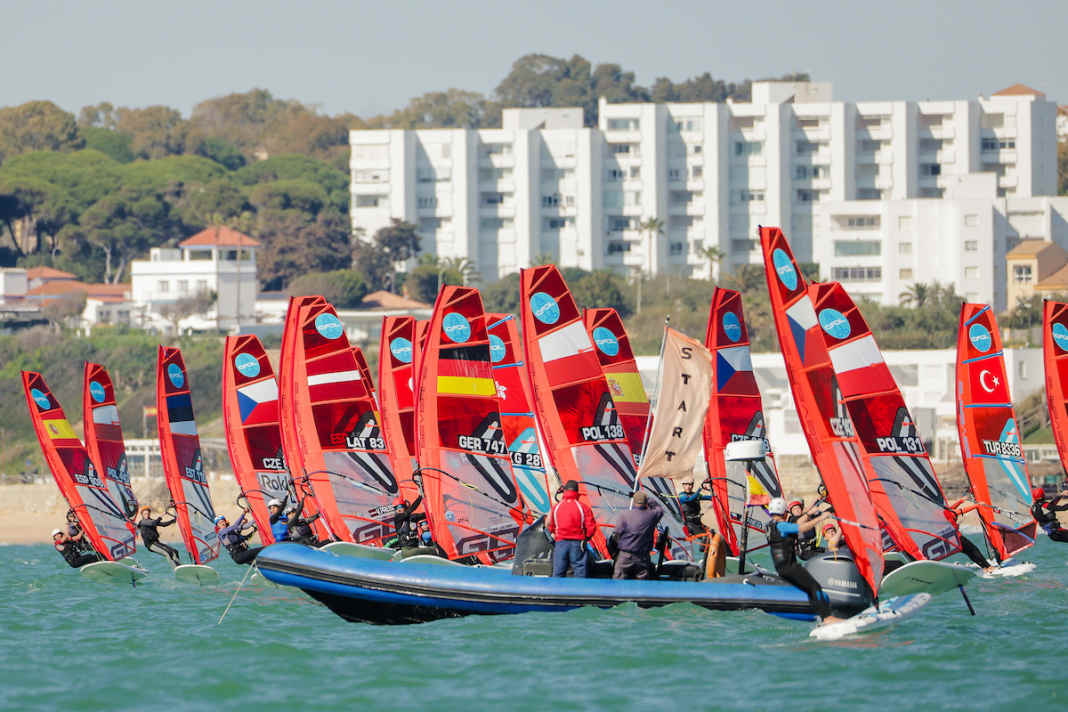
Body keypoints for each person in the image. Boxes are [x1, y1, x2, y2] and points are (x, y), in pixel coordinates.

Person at [766, 497, 843, 624]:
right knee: (815, 587)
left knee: (808, 588)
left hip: (781, 567)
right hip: (790, 567)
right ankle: (827, 618)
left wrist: (808, 514)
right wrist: (821, 518)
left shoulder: (772, 525)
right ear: (784, 512)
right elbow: (801, 528)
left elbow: (796, 524)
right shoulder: (782, 526)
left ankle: (820, 615)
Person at [548, 480, 597, 578]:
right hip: (578, 544)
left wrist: (555, 533)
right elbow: (591, 527)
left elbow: (551, 526)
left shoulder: (556, 507)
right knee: (580, 571)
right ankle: (579, 592)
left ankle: (556, 591)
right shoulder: (583, 507)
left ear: (565, 491)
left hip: (561, 543)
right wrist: (586, 538)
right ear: (577, 492)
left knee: (558, 571)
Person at [612, 491, 664, 580]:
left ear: (634, 501)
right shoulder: (651, 516)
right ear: (645, 503)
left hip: (625, 555)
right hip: (643, 557)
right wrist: (648, 499)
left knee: (618, 580)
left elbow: (617, 534)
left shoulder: (624, 515)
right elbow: (660, 509)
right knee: (641, 583)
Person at [947, 497, 1002, 570]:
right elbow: (961, 511)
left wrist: (960, 501)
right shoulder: (948, 513)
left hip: (949, 540)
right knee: (973, 551)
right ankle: (988, 567)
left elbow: (950, 509)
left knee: (971, 552)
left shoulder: (940, 512)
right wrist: (977, 505)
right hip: (957, 539)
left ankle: (985, 567)